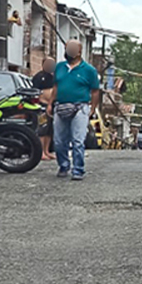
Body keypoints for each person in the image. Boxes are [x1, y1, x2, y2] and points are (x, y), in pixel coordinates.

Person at [50, 39, 100, 180]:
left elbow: (95, 91)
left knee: (77, 140)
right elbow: (56, 87)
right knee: (59, 141)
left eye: (71, 48)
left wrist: (93, 108)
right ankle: (63, 165)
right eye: (67, 48)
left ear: (79, 51)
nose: (68, 51)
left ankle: (78, 169)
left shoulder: (89, 70)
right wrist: (50, 104)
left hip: (80, 107)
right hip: (60, 106)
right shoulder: (59, 67)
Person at [32, 57, 57, 161]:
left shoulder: (54, 77)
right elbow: (36, 92)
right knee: (42, 129)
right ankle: (41, 152)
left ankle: (47, 151)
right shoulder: (39, 77)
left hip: (52, 106)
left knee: (49, 130)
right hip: (42, 106)